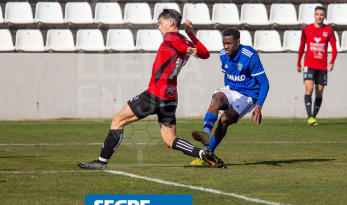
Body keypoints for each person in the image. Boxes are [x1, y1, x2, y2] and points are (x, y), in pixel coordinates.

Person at [78, 9, 221, 169]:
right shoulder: (186, 41)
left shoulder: (171, 37)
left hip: (154, 94)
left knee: (117, 120)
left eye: (160, 23)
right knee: (170, 140)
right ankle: (203, 155)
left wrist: (187, 49)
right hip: (171, 97)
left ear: (171, 23)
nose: (159, 28)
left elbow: (180, 47)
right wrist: (191, 35)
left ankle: (101, 162)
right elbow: (205, 54)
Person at [189, 28, 269, 167]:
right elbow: (227, 75)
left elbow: (264, 83)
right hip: (231, 89)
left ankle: (208, 152)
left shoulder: (250, 55)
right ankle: (205, 134)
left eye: (229, 43)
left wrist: (259, 106)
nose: (226, 46)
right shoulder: (223, 54)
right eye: (224, 43)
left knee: (225, 119)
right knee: (216, 101)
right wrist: (226, 96)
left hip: (248, 95)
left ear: (237, 42)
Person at [297, 6, 338, 126]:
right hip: (309, 64)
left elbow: (334, 48)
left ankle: (313, 116)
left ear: (324, 16)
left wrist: (332, 62)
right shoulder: (307, 29)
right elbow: (302, 46)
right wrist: (299, 62)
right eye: (317, 14)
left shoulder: (329, 30)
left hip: (322, 65)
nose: (319, 17)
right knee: (309, 88)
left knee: (319, 91)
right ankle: (310, 117)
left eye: (321, 15)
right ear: (314, 15)